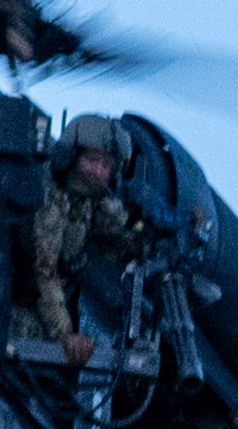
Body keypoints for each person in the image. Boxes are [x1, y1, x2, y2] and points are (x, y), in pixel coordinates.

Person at [16, 112, 146, 354]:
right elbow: (45, 272)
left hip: (52, 307)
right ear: (71, 157)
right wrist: (64, 333)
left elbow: (115, 246)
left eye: (106, 165)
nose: (98, 172)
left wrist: (141, 234)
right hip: (19, 306)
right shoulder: (50, 198)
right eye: (93, 160)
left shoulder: (88, 202)